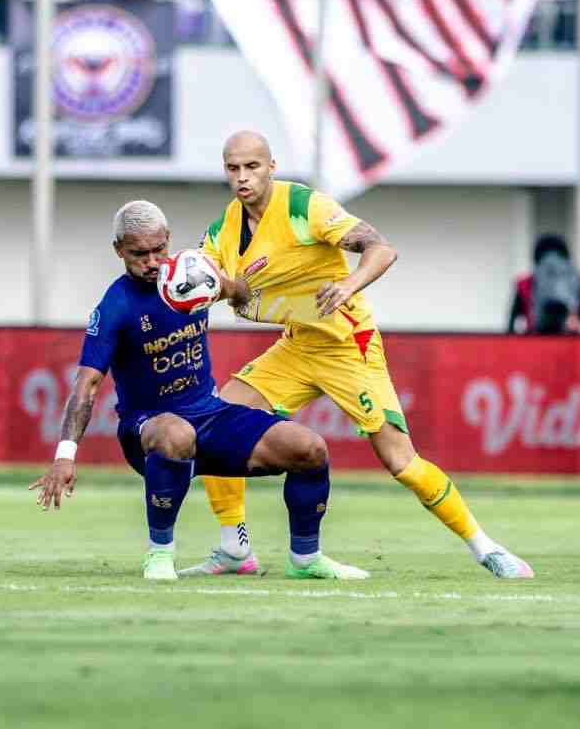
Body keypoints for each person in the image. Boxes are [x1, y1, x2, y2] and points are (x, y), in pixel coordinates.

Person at [182, 132, 534, 579]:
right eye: (233, 169)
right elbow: (209, 280)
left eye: (252, 167)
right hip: (298, 345)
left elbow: (382, 249)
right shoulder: (225, 230)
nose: (242, 177)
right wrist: (205, 286)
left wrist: (348, 285)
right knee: (217, 424)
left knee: (400, 462)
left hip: (349, 344)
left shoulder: (306, 208)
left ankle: (485, 548)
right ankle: (235, 549)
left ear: (272, 166)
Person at [29, 201, 368, 581]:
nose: (153, 262)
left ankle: (306, 558)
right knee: (177, 433)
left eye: (159, 250)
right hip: (149, 427)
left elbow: (243, 295)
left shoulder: (192, 274)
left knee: (310, 448)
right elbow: (86, 385)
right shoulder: (115, 306)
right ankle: (159, 554)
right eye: (139, 254)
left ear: (169, 240)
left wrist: (225, 285)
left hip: (210, 415)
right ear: (119, 250)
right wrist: (65, 455)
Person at [509, 235, 580, 335]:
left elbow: (511, 325)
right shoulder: (577, 283)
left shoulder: (523, 284)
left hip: (535, 342)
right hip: (567, 343)